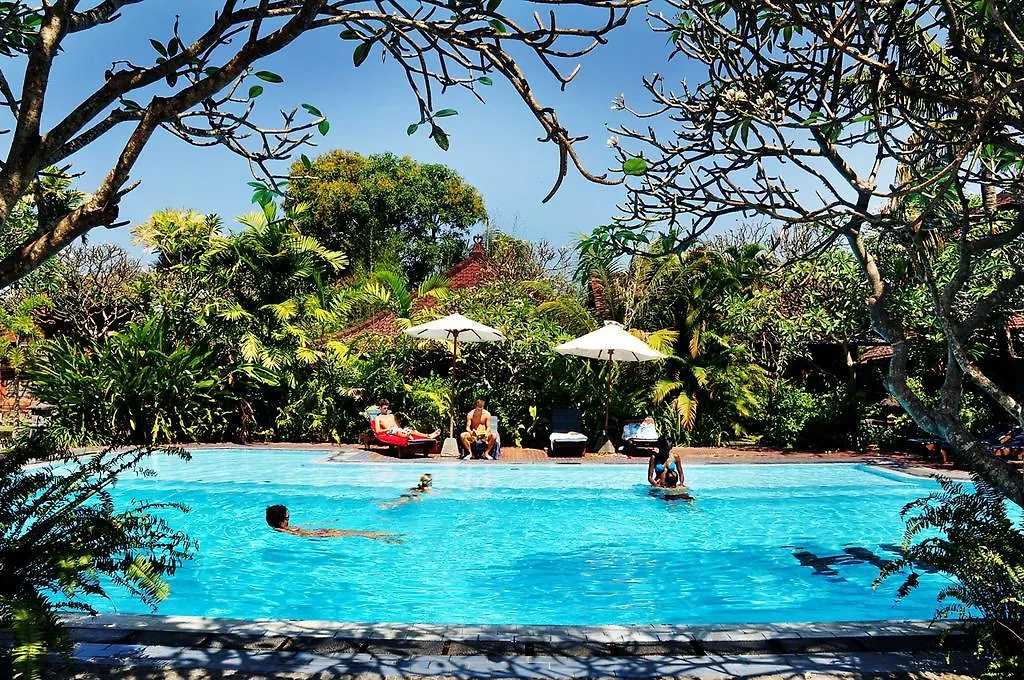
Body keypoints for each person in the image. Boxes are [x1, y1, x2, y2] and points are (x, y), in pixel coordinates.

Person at [264, 504, 404, 542]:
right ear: (281, 520)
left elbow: (304, 526)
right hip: (320, 535)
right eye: (287, 518)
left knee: (358, 533)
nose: (289, 519)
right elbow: (300, 533)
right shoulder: (282, 530)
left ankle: (387, 537)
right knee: (358, 534)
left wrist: (325, 522)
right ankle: (388, 538)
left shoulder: (284, 528)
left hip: (320, 532)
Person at [373, 399, 440, 440]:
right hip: (390, 431)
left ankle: (429, 436)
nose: (386, 410)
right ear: (380, 408)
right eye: (384, 408)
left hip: (397, 429)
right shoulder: (378, 418)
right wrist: (387, 429)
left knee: (410, 430)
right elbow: (377, 431)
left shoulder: (392, 415)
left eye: (387, 408)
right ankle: (407, 435)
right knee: (398, 431)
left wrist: (402, 429)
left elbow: (398, 426)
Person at [379, 474, 445, 509]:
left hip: (407, 494)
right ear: (429, 482)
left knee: (399, 501)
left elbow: (408, 490)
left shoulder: (415, 488)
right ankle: (390, 505)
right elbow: (433, 493)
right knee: (400, 502)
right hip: (413, 496)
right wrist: (444, 491)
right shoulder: (427, 489)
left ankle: (388, 504)